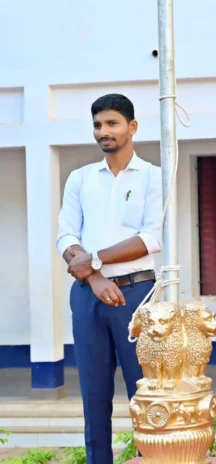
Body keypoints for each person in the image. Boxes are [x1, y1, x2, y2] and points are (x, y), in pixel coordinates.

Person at [56, 93, 162, 464]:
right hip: (88, 297)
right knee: (94, 394)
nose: (104, 131)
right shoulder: (80, 178)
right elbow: (66, 237)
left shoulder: (153, 177)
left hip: (137, 295)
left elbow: (151, 238)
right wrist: (95, 278)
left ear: (132, 127)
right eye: (98, 125)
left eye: (112, 123)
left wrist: (96, 261)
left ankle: (148, 460)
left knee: (144, 394)